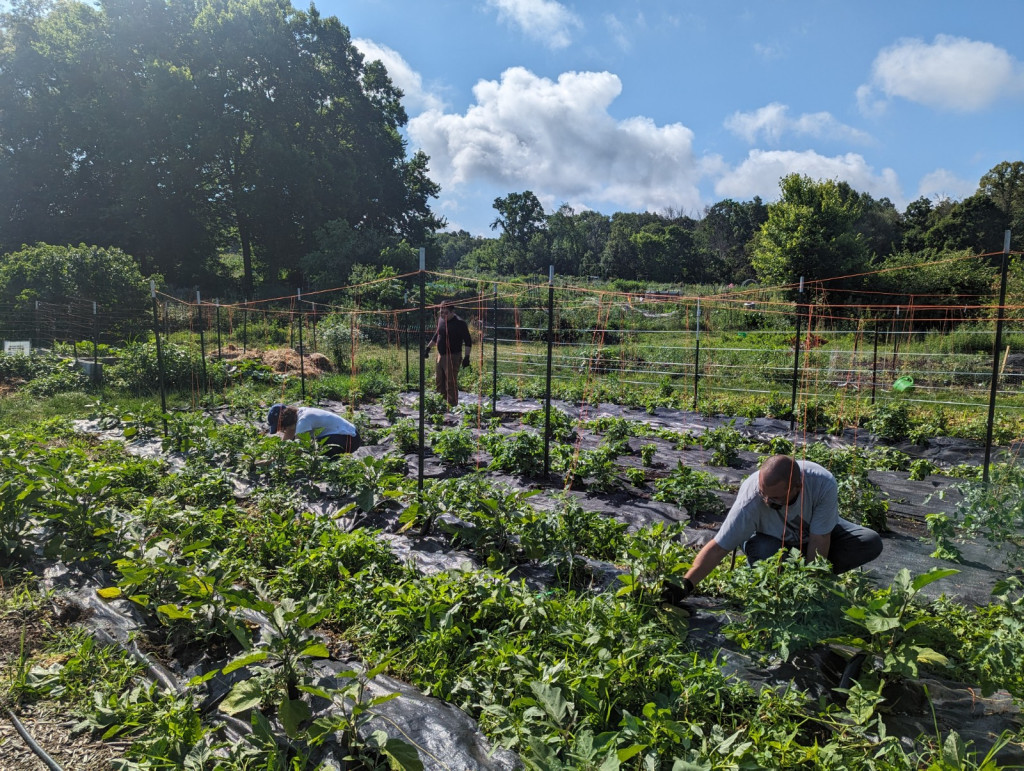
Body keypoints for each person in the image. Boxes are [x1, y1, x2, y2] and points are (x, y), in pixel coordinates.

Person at [665, 455, 883, 602]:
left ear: (798, 486)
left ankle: (813, 581)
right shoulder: (752, 500)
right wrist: (685, 585)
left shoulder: (822, 484)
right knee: (763, 550)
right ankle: (778, 580)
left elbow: (820, 538)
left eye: (776, 497)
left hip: (812, 536)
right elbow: (718, 547)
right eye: (764, 493)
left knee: (868, 542)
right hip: (770, 540)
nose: (768, 501)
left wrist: (808, 585)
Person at [423, 302, 473, 407]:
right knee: (439, 380)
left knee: (450, 382)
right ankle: (440, 403)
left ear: (452, 312)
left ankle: (452, 405)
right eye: (441, 312)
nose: (443, 315)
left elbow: (468, 341)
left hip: (453, 356)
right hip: (440, 355)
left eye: (445, 313)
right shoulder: (441, 320)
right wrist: (428, 348)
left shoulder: (460, 323)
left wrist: (467, 357)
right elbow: (437, 335)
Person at [266, 404, 361, 456]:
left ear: (286, 423)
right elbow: (286, 442)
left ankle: (331, 470)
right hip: (348, 436)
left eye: (282, 428)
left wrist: (274, 462)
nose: (283, 431)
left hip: (350, 439)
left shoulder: (303, 420)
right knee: (312, 446)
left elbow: (297, 451)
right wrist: (277, 454)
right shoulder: (297, 414)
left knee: (314, 448)